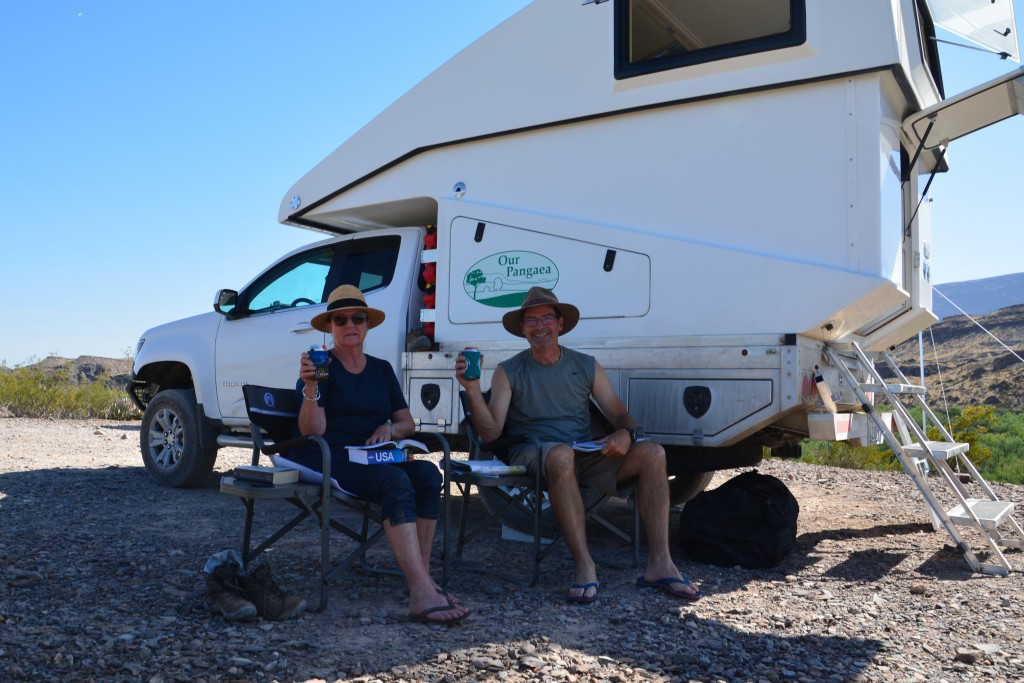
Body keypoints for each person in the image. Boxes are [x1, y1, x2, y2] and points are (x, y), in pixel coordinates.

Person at [456, 286, 702, 603]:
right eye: (531, 320)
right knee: (560, 454)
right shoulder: (509, 370)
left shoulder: (585, 365)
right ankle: (585, 565)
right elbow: (490, 435)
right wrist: (473, 390)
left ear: (560, 324)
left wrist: (625, 434)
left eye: (546, 318)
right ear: (522, 329)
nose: (539, 326)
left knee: (653, 452)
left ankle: (661, 564)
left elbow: (620, 414)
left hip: (582, 452)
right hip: (534, 453)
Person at [293, 285, 470, 625]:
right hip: (333, 455)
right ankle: (420, 591)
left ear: (367, 325)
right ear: (329, 327)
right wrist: (311, 387)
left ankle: (424, 576)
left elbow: (408, 422)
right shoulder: (322, 367)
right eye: (340, 319)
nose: (350, 324)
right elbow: (311, 432)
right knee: (395, 481)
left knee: (429, 475)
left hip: (375, 453)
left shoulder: (380, 369)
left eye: (357, 318)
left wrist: (390, 429)